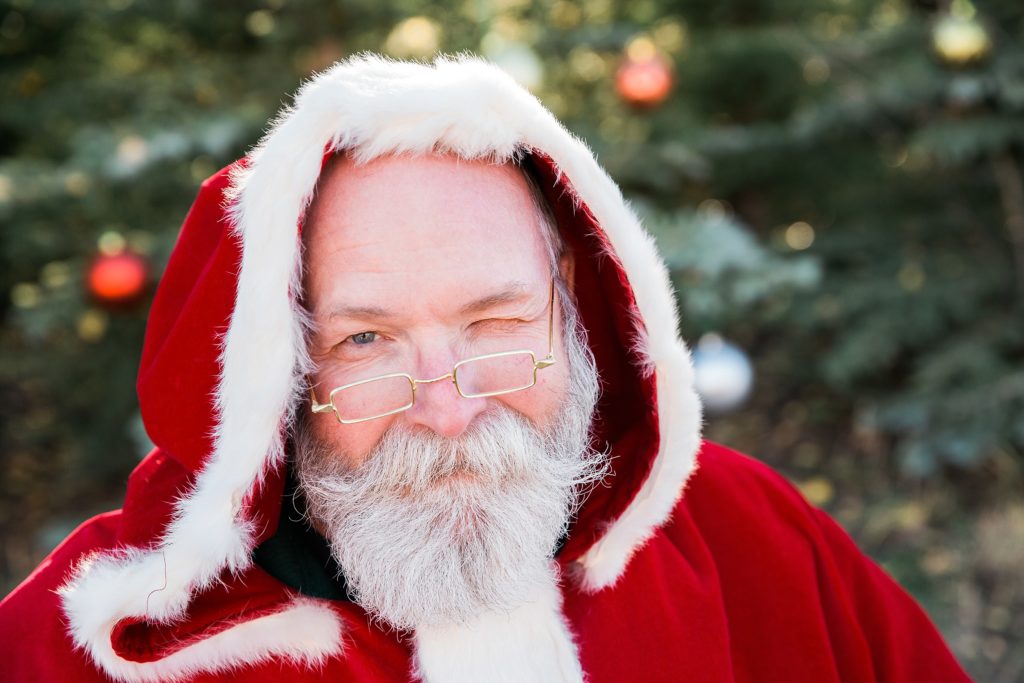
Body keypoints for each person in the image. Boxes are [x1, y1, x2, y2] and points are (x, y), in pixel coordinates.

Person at [0, 54, 971, 683]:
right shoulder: (75, 644)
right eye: (365, 341)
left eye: (496, 321)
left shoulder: (748, 537)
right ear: (276, 380)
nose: (450, 408)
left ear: (580, 315)